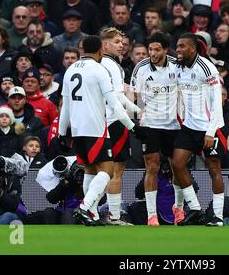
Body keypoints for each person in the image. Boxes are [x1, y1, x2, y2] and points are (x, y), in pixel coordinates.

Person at [59, 35, 143, 226]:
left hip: (77, 129)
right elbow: (114, 103)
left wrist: (61, 133)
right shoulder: (99, 69)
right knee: (107, 169)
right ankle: (85, 206)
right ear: (100, 51)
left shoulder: (70, 70)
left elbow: (65, 106)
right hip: (95, 128)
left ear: (82, 51)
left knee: (90, 170)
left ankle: (93, 214)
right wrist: (132, 126)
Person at [171, 33, 225, 226]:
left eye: (182, 46)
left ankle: (218, 216)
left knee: (213, 169)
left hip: (209, 128)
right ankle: (195, 209)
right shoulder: (178, 67)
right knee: (177, 164)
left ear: (193, 49)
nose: (178, 50)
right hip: (189, 126)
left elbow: (217, 102)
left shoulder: (206, 67)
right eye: (177, 46)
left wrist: (211, 132)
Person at [130, 32, 179, 226]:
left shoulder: (177, 66)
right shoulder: (141, 68)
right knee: (152, 166)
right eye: (151, 49)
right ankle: (152, 215)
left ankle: (179, 210)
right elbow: (134, 95)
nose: (153, 53)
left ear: (166, 49)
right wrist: (137, 117)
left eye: (157, 49)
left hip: (173, 125)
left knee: (177, 167)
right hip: (150, 124)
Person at [99, 27, 142, 226]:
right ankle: (114, 216)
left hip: (98, 122)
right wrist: (136, 113)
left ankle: (90, 211)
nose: (121, 45)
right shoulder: (113, 66)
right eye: (116, 42)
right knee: (116, 170)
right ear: (105, 44)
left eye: (122, 41)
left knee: (97, 170)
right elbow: (118, 99)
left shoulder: (97, 64)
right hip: (114, 121)